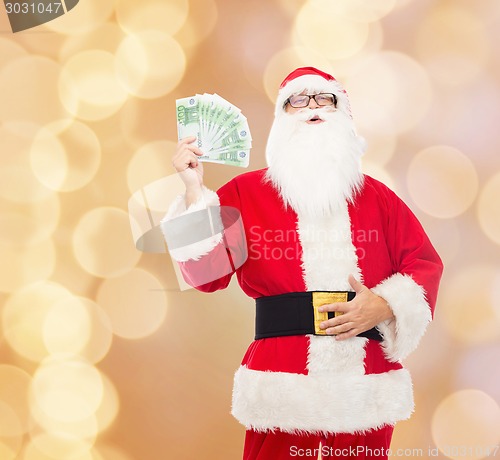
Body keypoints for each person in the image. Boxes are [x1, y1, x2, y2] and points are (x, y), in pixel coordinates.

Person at [161, 67, 443, 460]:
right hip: (281, 382)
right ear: (282, 119)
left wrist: (385, 304)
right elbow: (206, 276)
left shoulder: (379, 199)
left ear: (343, 116)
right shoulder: (244, 193)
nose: (312, 106)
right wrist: (194, 192)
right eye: (299, 99)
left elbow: (424, 263)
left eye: (324, 99)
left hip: (363, 384)